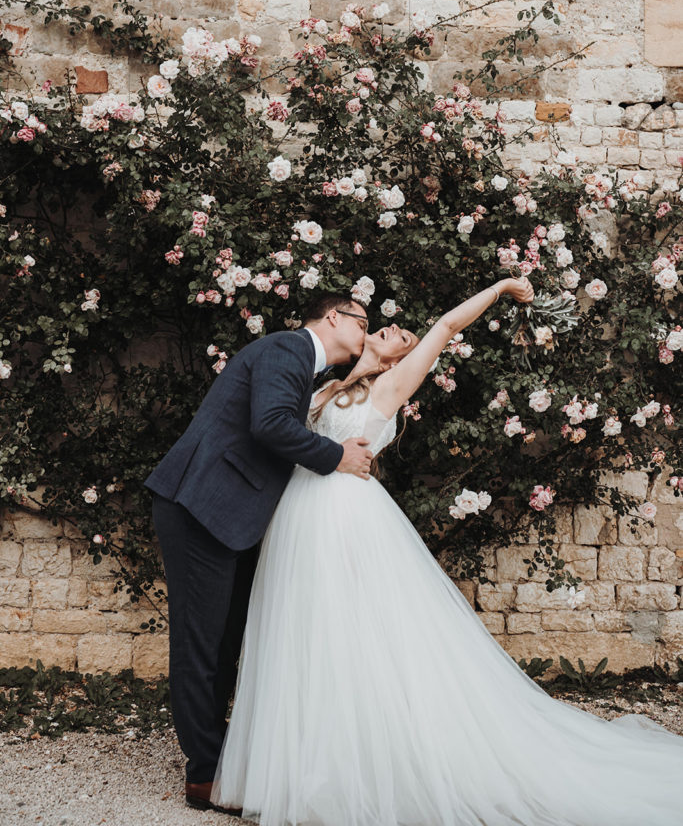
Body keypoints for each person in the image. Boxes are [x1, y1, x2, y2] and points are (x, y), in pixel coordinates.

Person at [212, 276, 683, 826]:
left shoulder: (392, 384)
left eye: (400, 335)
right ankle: (297, 765)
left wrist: (501, 288)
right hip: (296, 516)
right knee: (302, 631)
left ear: (401, 358)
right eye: (382, 326)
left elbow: (447, 325)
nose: (391, 329)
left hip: (343, 516)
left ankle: (357, 769)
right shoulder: (323, 384)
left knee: (350, 631)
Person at [145, 293, 375, 812]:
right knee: (200, 645)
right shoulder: (288, 349)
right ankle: (204, 776)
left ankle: (224, 758)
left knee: (226, 642)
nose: (365, 334)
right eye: (362, 323)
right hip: (200, 505)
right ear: (333, 317)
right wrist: (337, 455)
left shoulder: (304, 366)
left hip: (230, 517)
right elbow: (270, 424)